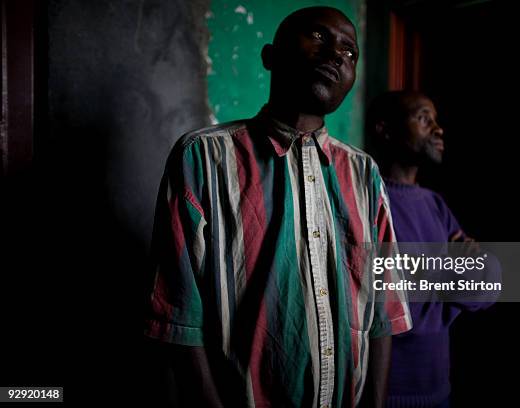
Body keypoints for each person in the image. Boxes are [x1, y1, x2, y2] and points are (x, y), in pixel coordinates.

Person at [144, 7, 411, 408]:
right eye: (320, 37)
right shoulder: (203, 157)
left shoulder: (363, 173)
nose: (338, 55)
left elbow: (383, 311)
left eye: (351, 53)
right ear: (271, 56)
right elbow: (179, 318)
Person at [367, 91, 497, 407]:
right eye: (424, 118)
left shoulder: (435, 204)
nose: (438, 129)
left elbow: (486, 289)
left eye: (436, 120)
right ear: (385, 129)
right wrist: (453, 271)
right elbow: (391, 298)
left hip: (439, 391)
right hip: (386, 394)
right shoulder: (369, 200)